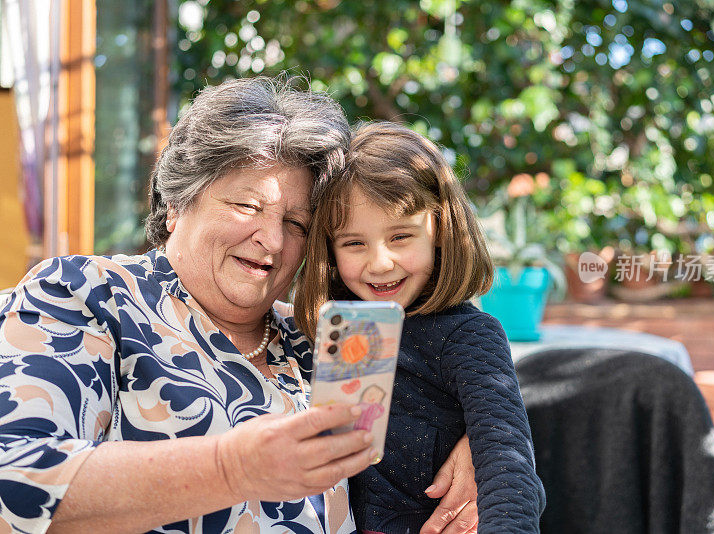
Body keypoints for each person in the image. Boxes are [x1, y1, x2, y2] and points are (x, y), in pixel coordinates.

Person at [0, 77, 477, 533]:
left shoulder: (321, 335)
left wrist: (474, 444)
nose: (270, 239)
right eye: (247, 207)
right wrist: (233, 468)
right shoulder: (90, 294)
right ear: (176, 204)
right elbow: (13, 478)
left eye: (296, 223)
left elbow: (453, 383)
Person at [294, 121, 545, 533]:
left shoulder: (469, 336)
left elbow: (508, 463)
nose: (379, 263)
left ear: (441, 229)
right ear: (329, 250)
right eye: (353, 243)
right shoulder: (338, 326)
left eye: (400, 237)